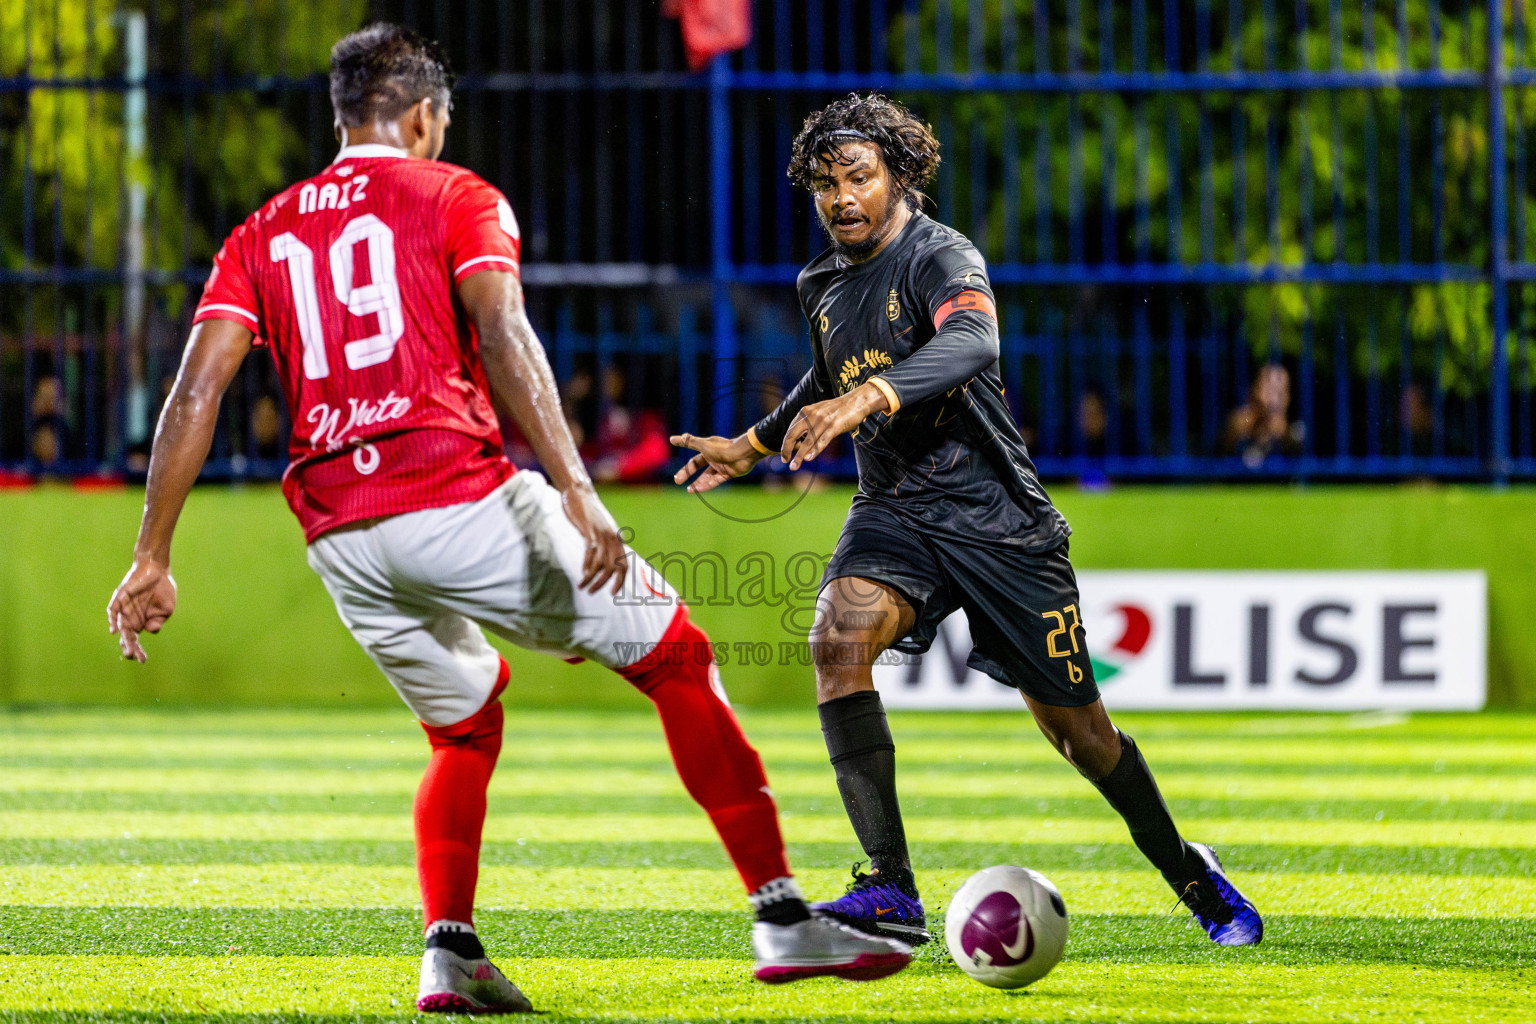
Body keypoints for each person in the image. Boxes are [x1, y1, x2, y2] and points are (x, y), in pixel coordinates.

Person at [106, 28, 909, 1015]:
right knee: (676, 657)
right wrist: (576, 488)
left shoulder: (258, 233)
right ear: (419, 116)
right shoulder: (455, 195)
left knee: (464, 721)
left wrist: (151, 555)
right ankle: (782, 914)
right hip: (456, 491)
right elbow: (504, 328)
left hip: (340, 537)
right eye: (437, 122)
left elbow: (195, 391)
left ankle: (450, 952)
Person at [672, 93, 1262, 949]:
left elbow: (974, 343)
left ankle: (1188, 871)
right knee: (838, 637)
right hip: (897, 509)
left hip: (998, 523)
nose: (841, 199)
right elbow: (828, 373)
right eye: (825, 185)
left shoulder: (942, 256)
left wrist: (869, 397)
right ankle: (890, 887)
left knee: (1081, 736)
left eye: (860, 178)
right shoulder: (822, 283)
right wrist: (752, 445)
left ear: (901, 176)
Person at [1222, 362, 1305, 467]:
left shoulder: (1294, 432)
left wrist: (1283, 435)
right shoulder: (1241, 425)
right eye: (1269, 390)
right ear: (1254, 390)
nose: (1275, 399)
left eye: (1281, 392)